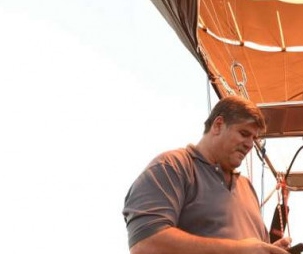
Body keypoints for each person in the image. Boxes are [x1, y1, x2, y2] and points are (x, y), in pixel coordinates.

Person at [122, 96, 291, 254]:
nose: (249, 144)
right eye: (244, 134)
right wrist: (237, 250)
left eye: (254, 138)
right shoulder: (172, 167)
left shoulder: (246, 187)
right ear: (218, 125)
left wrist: (268, 250)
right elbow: (145, 243)